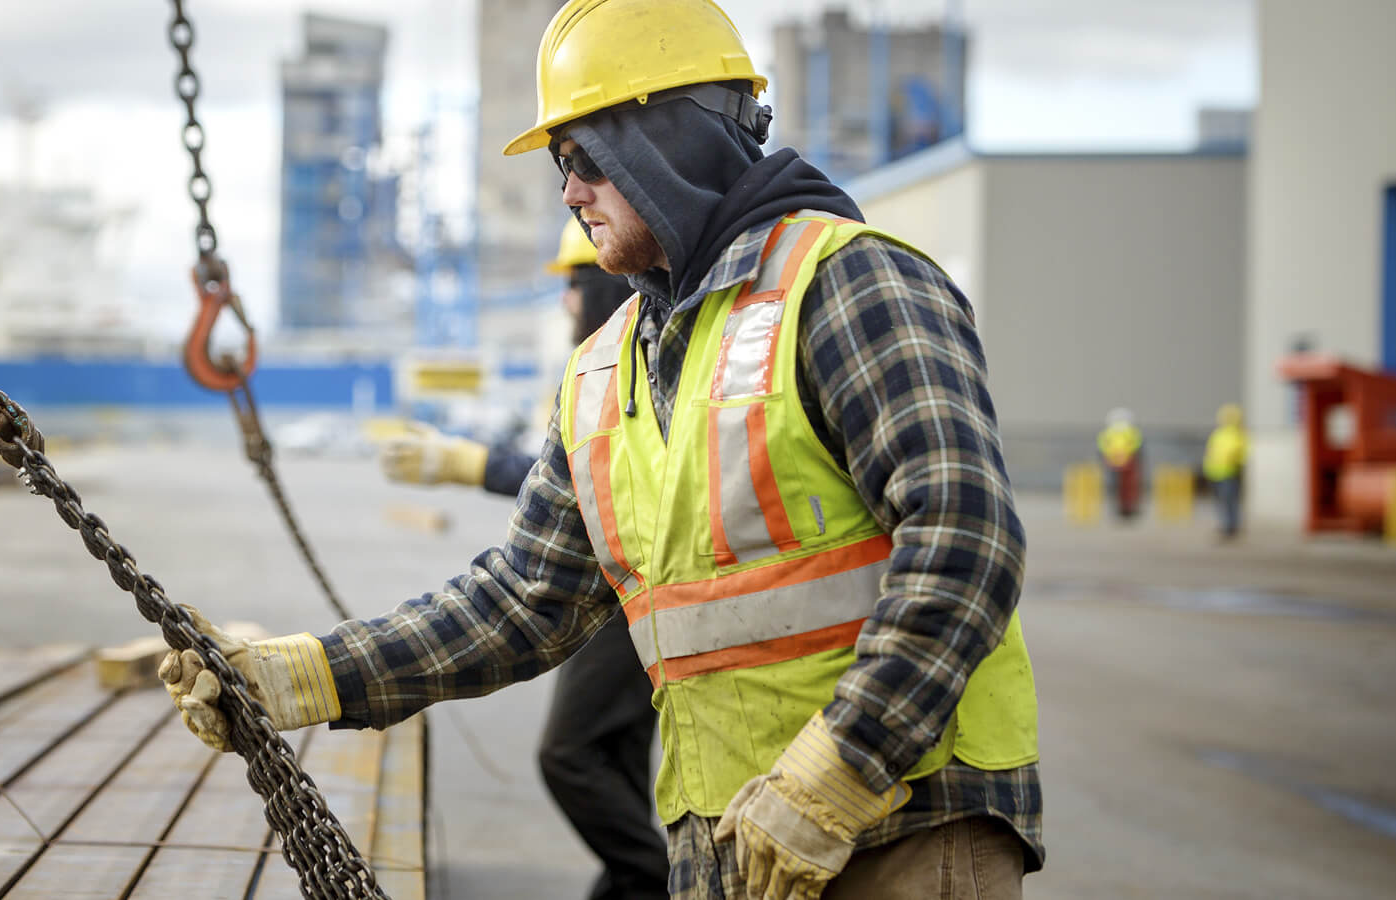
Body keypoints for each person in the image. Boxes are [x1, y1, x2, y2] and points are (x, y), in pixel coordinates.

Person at [158, 1, 1041, 896]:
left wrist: (842, 770)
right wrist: (306, 676)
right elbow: (523, 599)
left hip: (900, 826)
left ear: (664, 142)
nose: (569, 195)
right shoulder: (605, 368)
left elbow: (964, 536)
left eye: (584, 161)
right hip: (735, 843)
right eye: (560, 169)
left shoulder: (847, 281)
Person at [380, 222, 669, 900]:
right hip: (619, 581)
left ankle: (652, 880)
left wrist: (470, 463)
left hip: (635, 591)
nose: (566, 304)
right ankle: (632, 886)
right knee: (614, 754)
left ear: (604, 282)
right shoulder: (599, 362)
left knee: (569, 755)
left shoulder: (637, 360)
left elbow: (589, 475)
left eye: (574, 285)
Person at [1202, 403, 1247, 539]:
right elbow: (1210, 451)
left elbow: (1242, 455)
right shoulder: (1218, 434)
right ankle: (1224, 524)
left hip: (1229, 474)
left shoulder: (1239, 435)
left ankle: (1231, 526)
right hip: (1214, 473)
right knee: (1220, 501)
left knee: (1229, 501)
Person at [1097, 407, 1143, 520]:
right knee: (1122, 487)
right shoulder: (1129, 432)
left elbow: (1103, 445)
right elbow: (1136, 445)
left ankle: (1126, 507)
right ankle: (1122, 508)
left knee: (1125, 487)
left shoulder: (1111, 432)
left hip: (1121, 462)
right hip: (1120, 462)